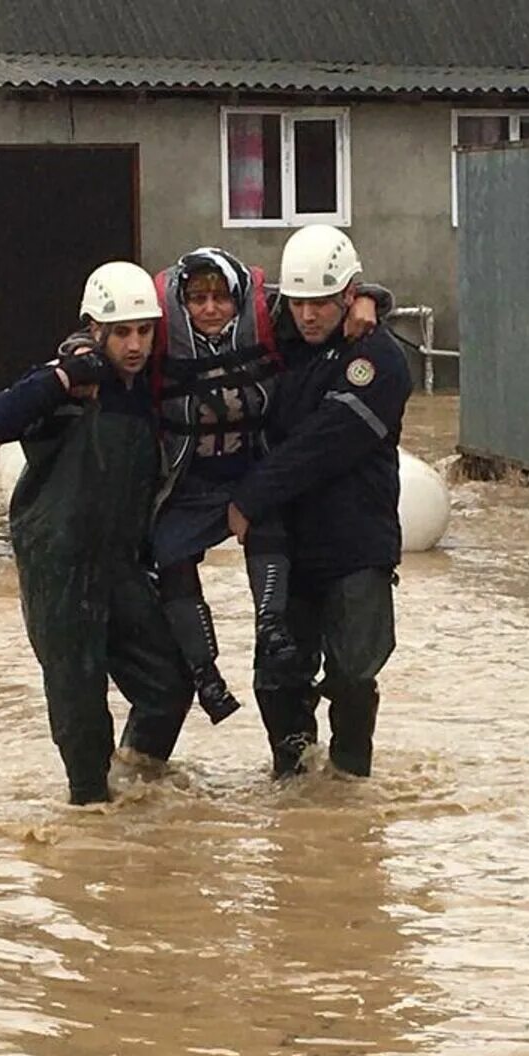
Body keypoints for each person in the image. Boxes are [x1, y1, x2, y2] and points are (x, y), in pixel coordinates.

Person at [0, 261, 193, 806]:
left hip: (118, 564)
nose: (136, 345)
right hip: (59, 566)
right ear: (95, 331)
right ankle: (91, 811)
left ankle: (138, 783)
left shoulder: (150, 388)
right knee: (79, 700)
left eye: (145, 331)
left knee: (170, 683)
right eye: (122, 333)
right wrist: (62, 378)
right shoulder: (65, 385)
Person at [145, 249, 387, 725]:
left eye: (221, 299)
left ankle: (270, 624)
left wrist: (375, 298)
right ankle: (205, 673)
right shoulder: (154, 331)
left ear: (238, 301)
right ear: (182, 301)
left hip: (250, 475)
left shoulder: (270, 320)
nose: (210, 309)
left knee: (269, 524)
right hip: (188, 482)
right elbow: (102, 334)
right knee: (169, 554)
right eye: (198, 299)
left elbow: (323, 299)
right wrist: (76, 357)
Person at [226, 226, 412, 780]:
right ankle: (295, 782)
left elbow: (324, 443)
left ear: (348, 294)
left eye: (322, 304)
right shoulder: (275, 341)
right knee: (277, 677)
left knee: (354, 674)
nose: (308, 316)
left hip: (356, 544)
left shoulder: (378, 358)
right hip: (285, 543)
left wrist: (250, 499)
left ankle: (351, 779)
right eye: (299, 302)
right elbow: (196, 305)